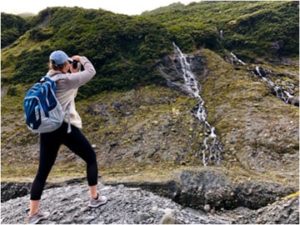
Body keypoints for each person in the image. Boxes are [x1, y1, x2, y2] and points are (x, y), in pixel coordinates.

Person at [27, 50, 107, 224]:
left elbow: (73, 82)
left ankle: (33, 213)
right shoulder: (66, 80)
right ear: (65, 65)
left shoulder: (46, 79)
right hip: (64, 127)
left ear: (51, 64)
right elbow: (90, 72)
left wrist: (71, 69)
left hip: (47, 130)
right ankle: (94, 198)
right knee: (91, 158)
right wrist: (81, 59)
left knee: (42, 172)